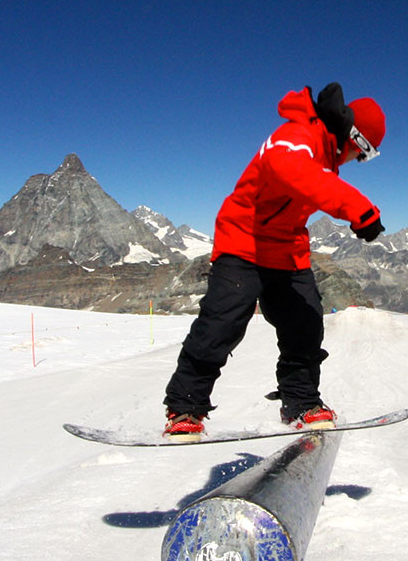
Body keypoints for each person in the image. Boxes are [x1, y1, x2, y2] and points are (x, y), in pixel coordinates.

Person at [162, 82, 387, 441]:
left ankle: (301, 402)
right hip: (243, 241)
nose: (359, 160)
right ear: (353, 137)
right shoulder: (296, 135)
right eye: (364, 152)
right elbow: (290, 169)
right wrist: (358, 208)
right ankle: (185, 408)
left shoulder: (325, 157)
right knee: (223, 322)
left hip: (287, 248)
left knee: (305, 324)